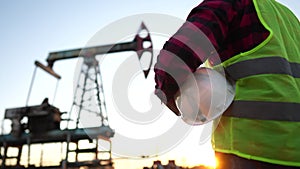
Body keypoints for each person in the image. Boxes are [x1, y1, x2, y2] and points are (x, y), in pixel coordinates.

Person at [154, 0, 300, 168]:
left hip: (249, 149)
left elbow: (176, 58)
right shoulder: (290, 19)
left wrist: (166, 91)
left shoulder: (231, 4)